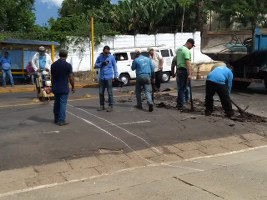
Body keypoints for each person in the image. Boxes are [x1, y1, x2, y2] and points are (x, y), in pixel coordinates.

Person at [51, 49, 75, 126]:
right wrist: (73, 86)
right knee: (63, 104)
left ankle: (56, 118)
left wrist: (53, 85)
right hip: (64, 87)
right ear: (66, 56)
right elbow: (71, 77)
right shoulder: (68, 65)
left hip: (56, 87)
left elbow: (52, 77)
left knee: (56, 103)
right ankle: (61, 120)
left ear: (59, 55)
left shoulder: (53, 65)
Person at [95, 46, 118, 112]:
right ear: (103, 52)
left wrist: (116, 75)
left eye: (108, 52)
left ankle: (111, 106)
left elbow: (115, 66)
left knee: (110, 92)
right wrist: (102, 64)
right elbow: (95, 65)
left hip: (109, 77)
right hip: (102, 77)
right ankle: (102, 105)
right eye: (105, 52)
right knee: (101, 92)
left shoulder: (111, 57)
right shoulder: (100, 57)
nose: (107, 54)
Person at [175, 38, 195, 110]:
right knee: (183, 88)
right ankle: (180, 105)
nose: (191, 47)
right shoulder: (186, 50)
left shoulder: (179, 49)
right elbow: (188, 63)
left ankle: (179, 103)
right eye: (192, 46)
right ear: (189, 43)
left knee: (180, 88)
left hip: (179, 70)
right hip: (184, 71)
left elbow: (176, 60)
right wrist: (190, 74)